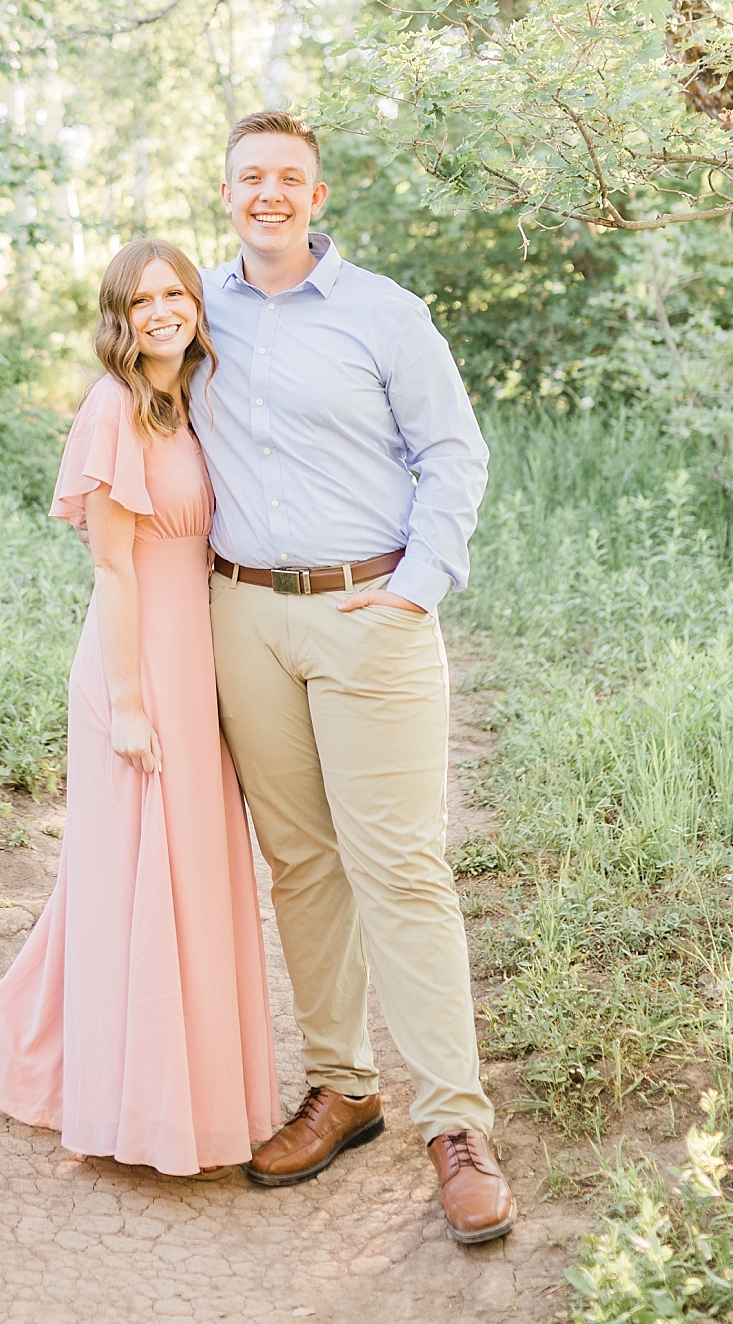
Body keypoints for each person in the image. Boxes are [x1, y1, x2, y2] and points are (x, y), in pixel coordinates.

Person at [193, 111, 516, 1245]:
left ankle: (457, 1127)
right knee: (300, 862)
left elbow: (454, 452)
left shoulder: (387, 312)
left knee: (402, 867)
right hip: (242, 614)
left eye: (290, 178)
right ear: (225, 191)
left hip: (370, 611)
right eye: (251, 177)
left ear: (318, 197)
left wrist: (418, 587)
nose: (269, 193)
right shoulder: (196, 310)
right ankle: (345, 1085)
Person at [0, 239, 278, 1177]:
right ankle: (127, 1098)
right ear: (120, 315)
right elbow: (112, 565)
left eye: (175, 293)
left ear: (197, 303)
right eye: (141, 298)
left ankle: (192, 1090)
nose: (160, 311)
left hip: (199, 664)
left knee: (192, 872)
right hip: (138, 664)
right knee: (136, 877)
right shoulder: (115, 409)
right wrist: (127, 702)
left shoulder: (195, 402)